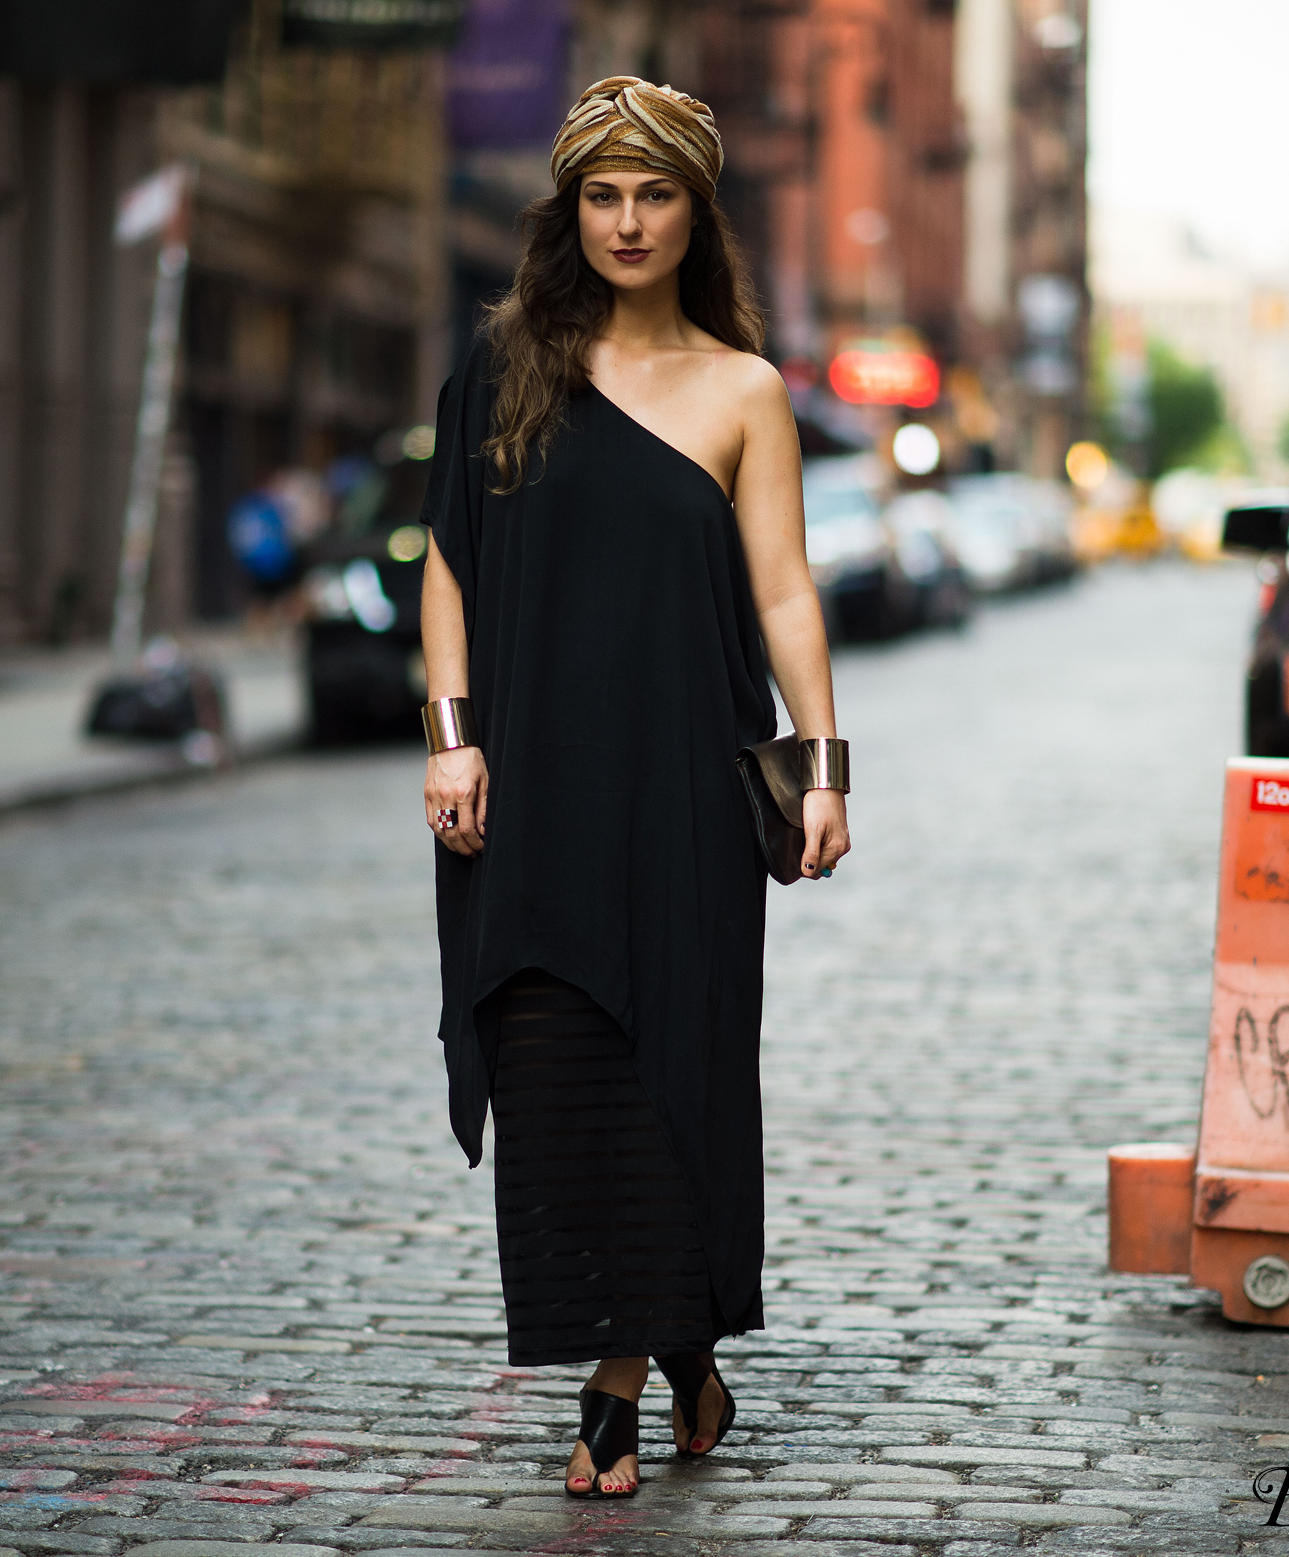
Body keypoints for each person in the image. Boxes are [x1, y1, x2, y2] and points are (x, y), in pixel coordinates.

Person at [416, 76, 851, 1500]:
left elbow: (783, 588)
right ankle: (681, 1349)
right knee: (552, 1066)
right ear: (569, 210)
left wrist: (824, 763)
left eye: (654, 193)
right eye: (602, 195)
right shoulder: (505, 364)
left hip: (682, 797)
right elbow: (451, 560)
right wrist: (452, 733)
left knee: (678, 1075)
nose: (626, 220)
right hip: (531, 784)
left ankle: (619, 1376)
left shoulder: (743, 390)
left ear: (694, 211)